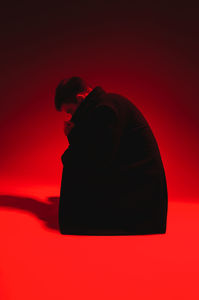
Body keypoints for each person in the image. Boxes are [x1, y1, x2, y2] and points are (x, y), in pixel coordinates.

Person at [54, 76, 168, 235]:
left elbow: (98, 161)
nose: (71, 117)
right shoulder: (106, 104)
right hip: (140, 188)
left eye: (70, 111)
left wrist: (74, 136)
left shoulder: (105, 110)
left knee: (73, 167)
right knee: (75, 165)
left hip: (142, 200)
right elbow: (95, 152)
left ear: (80, 99)